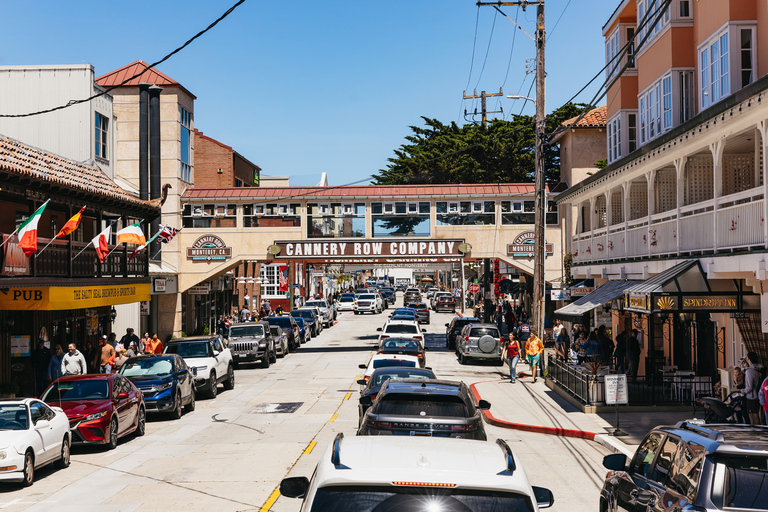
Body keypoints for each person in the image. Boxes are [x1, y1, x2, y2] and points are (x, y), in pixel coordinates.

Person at [744, 352, 763, 425]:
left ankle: (755, 431)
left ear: (748, 359)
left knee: (753, 415)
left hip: (752, 396)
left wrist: (743, 391)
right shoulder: (760, 368)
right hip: (759, 393)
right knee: (756, 414)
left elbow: (749, 387)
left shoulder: (749, 371)